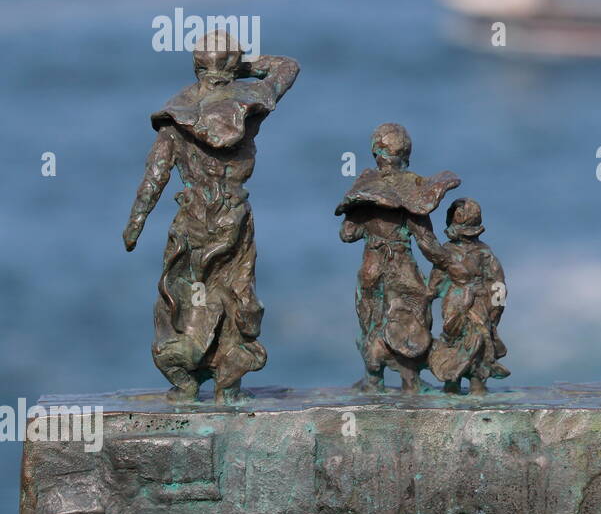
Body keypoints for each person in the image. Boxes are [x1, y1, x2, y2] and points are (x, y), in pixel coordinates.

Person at [123, 30, 298, 403]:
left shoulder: (176, 116)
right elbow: (287, 66)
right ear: (233, 65)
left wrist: (136, 222)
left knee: (183, 295)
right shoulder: (249, 102)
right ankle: (228, 385)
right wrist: (240, 69)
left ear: (196, 64)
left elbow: (154, 178)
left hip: (193, 220)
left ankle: (185, 378)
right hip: (232, 218)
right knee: (234, 292)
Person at [336, 123, 459, 393]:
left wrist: (361, 213)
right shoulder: (412, 191)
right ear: (406, 155)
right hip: (402, 267)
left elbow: (347, 234)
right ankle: (410, 381)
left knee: (372, 318)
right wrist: (450, 262)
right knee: (412, 318)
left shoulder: (366, 188)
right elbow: (427, 243)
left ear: (375, 154)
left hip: (372, 266)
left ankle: (373, 380)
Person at [426, 198, 510, 395]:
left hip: (479, 304)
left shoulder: (484, 253)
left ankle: (477, 381)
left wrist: (496, 310)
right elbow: (436, 280)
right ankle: (451, 382)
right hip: (454, 304)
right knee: (452, 340)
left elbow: (498, 283)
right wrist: (427, 296)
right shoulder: (447, 251)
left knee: (480, 339)